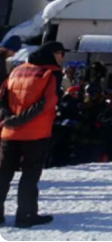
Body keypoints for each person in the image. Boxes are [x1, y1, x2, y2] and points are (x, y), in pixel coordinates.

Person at [0, 41, 65, 228]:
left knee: (3, 174)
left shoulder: (18, 70)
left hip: (9, 131)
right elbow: (45, 103)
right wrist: (20, 120)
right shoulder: (50, 73)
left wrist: (9, 119)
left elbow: (2, 97)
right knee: (29, 174)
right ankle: (26, 215)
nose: (62, 57)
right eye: (61, 53)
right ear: (53, 54)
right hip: (35, 133)